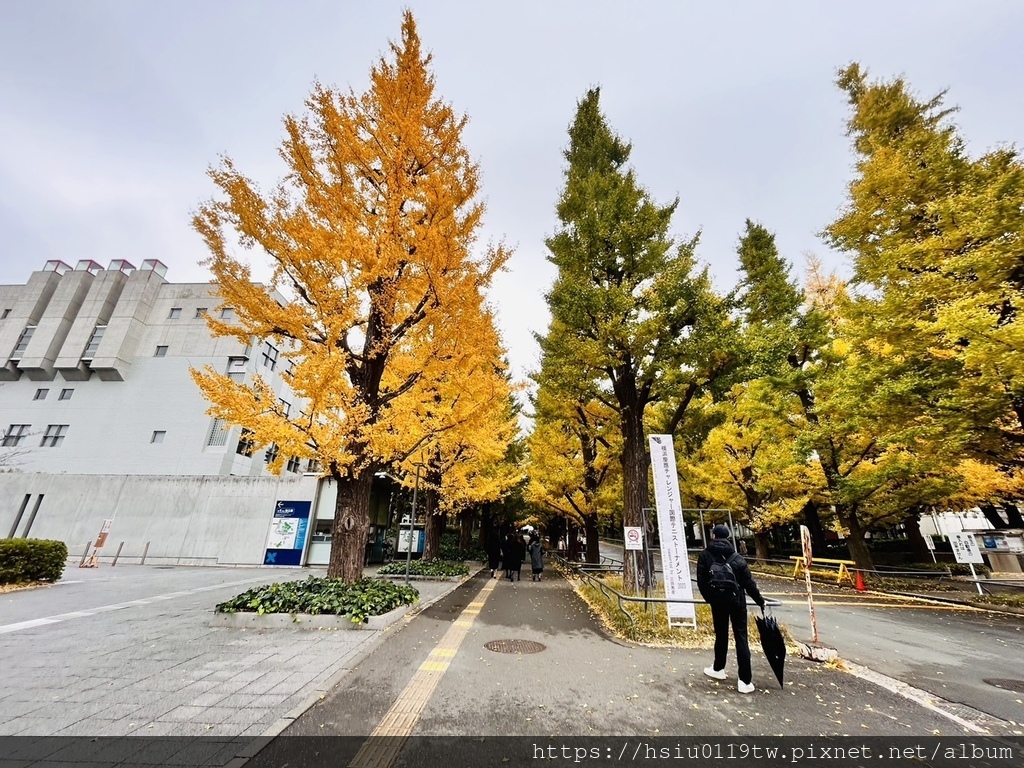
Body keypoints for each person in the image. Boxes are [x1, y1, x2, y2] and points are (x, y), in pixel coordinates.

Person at [696, 524, 765, 694]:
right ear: (727, 537)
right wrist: (760, 601)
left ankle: (718, 669)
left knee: (721, 635)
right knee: (741, 637)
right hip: (737, 601)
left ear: (713, 536)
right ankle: (745, 681)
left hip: (718, 602)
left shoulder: (705, 555)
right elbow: (749, 583)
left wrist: (711, 599)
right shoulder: (737, 557)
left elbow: (701, 582)